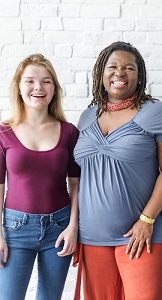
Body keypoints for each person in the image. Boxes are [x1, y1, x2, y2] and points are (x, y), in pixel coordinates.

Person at [73, 41, 162, 299]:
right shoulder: (88, 116)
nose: (119, 73)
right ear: (101, 74)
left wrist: (147, 220)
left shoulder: (155, 113)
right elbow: (77, 177)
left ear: (139, 75)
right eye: (112, 66)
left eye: (129, 68)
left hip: (142, 234)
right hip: (92, 236)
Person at [0, 54, 80, 299]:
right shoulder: (4, 132)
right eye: (30, 81)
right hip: (15, 230)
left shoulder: (69, 132)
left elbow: (76, 184)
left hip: (59, 228)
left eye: (46, 81)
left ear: (54, 89)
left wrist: (73, 227)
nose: (38, 87)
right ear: (19, 87)